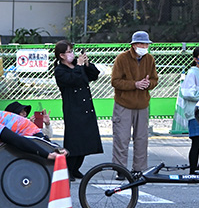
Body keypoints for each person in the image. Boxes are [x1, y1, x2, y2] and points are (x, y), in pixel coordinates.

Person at [54, 41, 103, 180]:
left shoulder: (77, 64)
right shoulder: (60, 70)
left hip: (86, 108)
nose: (72, 54)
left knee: (85, 140)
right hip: (73, 109)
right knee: (74, 140)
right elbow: (73, 79)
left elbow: (93, 75)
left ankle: (76, 168)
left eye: (72, 51)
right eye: (69, 52)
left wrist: (86, 63)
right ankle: (68, 168)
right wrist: (80, 66)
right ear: (62, 55)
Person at [111, 31, 159, 173]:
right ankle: (120, 169)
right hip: (123, 104)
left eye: (146, 44)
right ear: (134, 45)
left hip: (143, 104)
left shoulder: (149, 59)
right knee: (121, 138)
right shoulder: (122, 58)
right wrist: (135, 84)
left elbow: (155, 79)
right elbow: (115, 81)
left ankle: (139, 169)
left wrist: (148, 84)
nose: (145, 46)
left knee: (142, 139)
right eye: (142, 44)